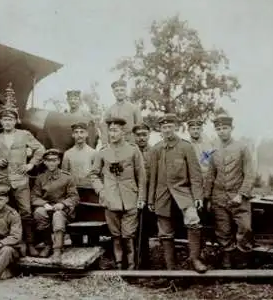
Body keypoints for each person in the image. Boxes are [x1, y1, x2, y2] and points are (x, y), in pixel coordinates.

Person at [147, 114, 207, 273]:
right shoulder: (156, 149)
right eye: (164, 127)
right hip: (162, 195)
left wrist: (198, 196)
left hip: (184, 193)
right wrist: (151, 199)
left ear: (176, 127)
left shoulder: (186, 147)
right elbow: (152, 176)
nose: (167, 130)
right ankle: (170, 267)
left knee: (193, 221)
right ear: (160, 129)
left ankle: (194, 259)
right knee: (165, 232)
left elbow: (195, 174)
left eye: (170, 127)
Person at [88, 117, 147, 269]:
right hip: (110, 199)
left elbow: (141, 176)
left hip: (130, 199)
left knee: (129, 235)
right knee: (115, 235)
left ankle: (132, 267)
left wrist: (141, 197)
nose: (112, 134)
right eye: (110, 131)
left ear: (123, 132)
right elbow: (93, 174)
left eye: (115, 130)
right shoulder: (103, 153)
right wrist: (102, 191)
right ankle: (119, 266)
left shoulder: (133, 150)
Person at [0, 108, 45, 257]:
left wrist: (31, 164)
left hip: (20, 180)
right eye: (4, 120)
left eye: (10, 119)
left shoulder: (24, 135)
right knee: (3, 212)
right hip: (2, 181)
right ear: (1, 122)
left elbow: (40, 149)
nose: (7, 122)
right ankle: (8, 246)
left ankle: (30, 244)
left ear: (15, 121)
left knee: (25, 212)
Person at [204, 115, 255, 269]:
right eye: (218, 129)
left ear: (231, 129)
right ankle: (227, 263)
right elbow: (210, 175)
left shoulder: (242, 147)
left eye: (224, 128)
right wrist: (208, 198)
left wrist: (241, 195)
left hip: (239, 197)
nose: (221, 132)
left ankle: (243, 261)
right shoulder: (213, 150)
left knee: (245, 228)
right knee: (222, 231)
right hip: (219, 198)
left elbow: (250, 174)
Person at [32, 149, 80, 263]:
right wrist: (44, 204)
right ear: (44, 162)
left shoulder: (67, 177)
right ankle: (48, 244)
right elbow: (34, 197)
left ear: (58, 161)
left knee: (57, 216)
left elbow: (74, 197)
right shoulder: (40, 178)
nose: (51, 163)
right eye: (48, 160)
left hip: (64, 211)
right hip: (48, 208)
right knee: (39, 213)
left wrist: (62, 204)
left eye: (54, 160)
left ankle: (57, 250)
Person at [132, 122, 153, 269]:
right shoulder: (130, 151)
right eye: (138, 135)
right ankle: (135, 261)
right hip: (133, 195)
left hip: (150, 196)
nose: (141, 138)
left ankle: (145, 262)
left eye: (144, 135)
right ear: (134, 136)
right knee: (133, 230)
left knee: (145, 230)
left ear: (149, 135)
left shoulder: (154, 152)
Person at [100, 80, 142, 145]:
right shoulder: (109, 110)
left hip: (130, 143)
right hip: (114, 143)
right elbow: (104, 128)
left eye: (122, 90)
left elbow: (139, 127)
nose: (119, 93)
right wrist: (105, 143)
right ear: (113, 92)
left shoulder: (134, 108)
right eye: (116, 90)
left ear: (126, 91)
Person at [186, 118, 217, 194]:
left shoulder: (209, 144)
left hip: (208, 180)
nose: (196, 131)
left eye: (198, 129)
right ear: (188, 130)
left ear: (201, 130)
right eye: (193, 129)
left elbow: (212, 162)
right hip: (192, 181)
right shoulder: (186, 145)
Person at [61, 122, 96, 189]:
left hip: (89, 189)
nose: (79, 135)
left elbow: (96, 175)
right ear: (73, 135)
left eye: (82, 132)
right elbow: (64, 175)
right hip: (73, 190)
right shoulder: (68, 154)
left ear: (87, 134)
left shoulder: (93, 153)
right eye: (76, 132)